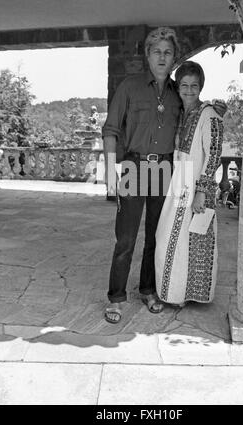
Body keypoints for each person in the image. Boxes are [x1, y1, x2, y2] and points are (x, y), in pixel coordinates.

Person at [102, 27, 181, 323]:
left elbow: (191, 125)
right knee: (126, 238)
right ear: (148, 55)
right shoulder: (129, 87)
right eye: (156, 51)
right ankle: (116, 297)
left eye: (167, 52)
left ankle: (148, 289)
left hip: (164, 168)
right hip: (134, 167)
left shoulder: (177, 94)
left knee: (155, 237)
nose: (162, 56)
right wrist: (111, 169)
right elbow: (110, 130)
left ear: (174, 57)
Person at [155, 61, 224, 306]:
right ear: (178, 87)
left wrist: (202, 192)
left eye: (194, 85)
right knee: (169, 237)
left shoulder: (209, 114)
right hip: (178, 182)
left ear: (201, 86)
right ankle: (174, 292)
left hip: (195, 185)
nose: (189, 90)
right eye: (184, 84)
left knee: (191, 239)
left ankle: (183, 294)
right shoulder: (180, 112)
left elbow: (214, 153)